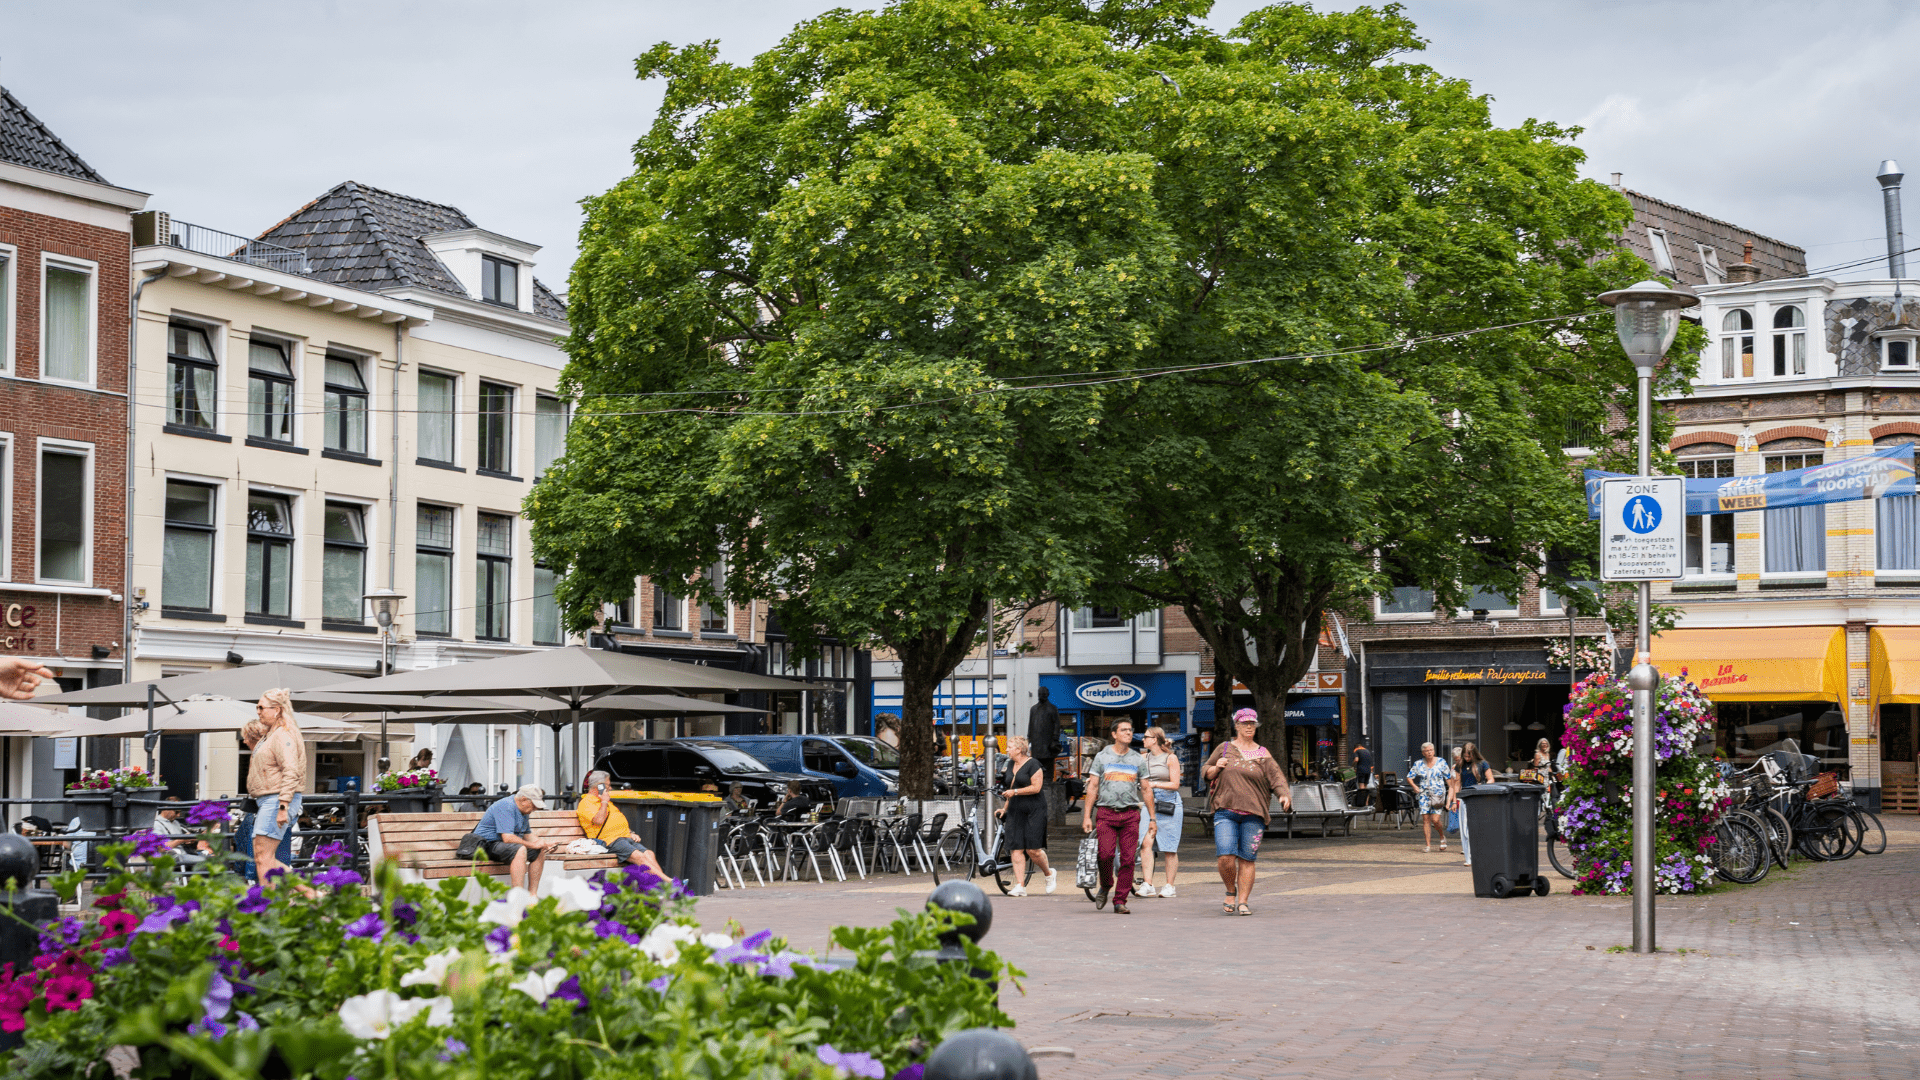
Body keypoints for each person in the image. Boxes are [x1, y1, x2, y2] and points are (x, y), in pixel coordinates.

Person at [1202, 709, 1290, 916]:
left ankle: (1243, 901)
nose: (1249, 726)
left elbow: (1276, 777)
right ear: (1237, 726)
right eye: (1245, 723)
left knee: (1247, 859)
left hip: (1254, 813)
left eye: (1252, 723)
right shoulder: (1224, 748)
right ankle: (1230, 891)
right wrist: (1215, 768)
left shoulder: (1262, 753)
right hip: (1226, 811)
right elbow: (1206, 769)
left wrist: (1283, 795)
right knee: (1225, 856)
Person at [1080, 719, 1152, 914]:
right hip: (1106, 813)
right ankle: (1105, 884)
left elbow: (1145, 788)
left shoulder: (1138, 759)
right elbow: (1093, 786)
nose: (1128, 733)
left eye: (1130, 730)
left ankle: (1120, 900)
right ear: (1114, 734)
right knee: (1105, 854)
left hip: (1130, 814)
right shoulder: (1102, 757)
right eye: (1124, 730)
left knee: (1128, 859)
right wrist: (1087, 815)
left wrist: (1152, 818)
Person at [247, 689, 306, 884]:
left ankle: (268, 906)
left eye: (261, 707)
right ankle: (313, 894)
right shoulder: (273, 734)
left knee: (263, 858)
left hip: (276, 800)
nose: (258, 711)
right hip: (269, 800)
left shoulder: (283, 734)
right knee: (265, 858)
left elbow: (291, 770)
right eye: (257, 707)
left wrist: (283, 805)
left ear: (278, 710)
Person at [577, 771, 667, 878]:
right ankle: (669, 883)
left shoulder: (604, 802)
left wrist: (630, 832)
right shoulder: (586, 803)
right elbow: (599, 820)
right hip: (609, 841)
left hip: (623, 838)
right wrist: (604, 802)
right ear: (599, 786)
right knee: (639, 856)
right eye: (608, 786)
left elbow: (615, 820)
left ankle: (660, 886)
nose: (610, 789)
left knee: (649, 854)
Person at [994, 736, 1054, 896]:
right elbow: (1010, 788)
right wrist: (1004, 809)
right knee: (1016, 848)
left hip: (1034, 810)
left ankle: (1049, 874)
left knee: (1033, 850)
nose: (1006, 749)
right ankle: (1020, 886)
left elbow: (1036, 787)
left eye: (1009, 746)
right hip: (1015, 810)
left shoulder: (1034, 764)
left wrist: (1015, 792)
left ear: (1019, 749)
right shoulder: (1010, 764)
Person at [474, 785, 550, 891]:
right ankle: (517, 897)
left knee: (539, 850)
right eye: (534, 805)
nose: (535, 809)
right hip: (486, 845)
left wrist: (543, 844)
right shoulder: (506, 806)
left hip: (502, 846)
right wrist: (533, 844)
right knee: (520, 849)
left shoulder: (524, 810)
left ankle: (532, 896)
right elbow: (508, 838)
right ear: (524, 799)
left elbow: (527, 834)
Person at [1138, 726, 1183, 898]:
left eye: (1146, 736)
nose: (1143, 739)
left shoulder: (1170, 758)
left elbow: (1175, 784)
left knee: (1169, 846)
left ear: (1155, 739)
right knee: (1145, 842)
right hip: (1149, 802)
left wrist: (1155, 784)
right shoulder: (1143, 758)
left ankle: (1169, 886)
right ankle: (1148, 883)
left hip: (1168, 802)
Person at [1406, 742, 1454, 854]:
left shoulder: (1441, 762)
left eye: (1431, 750)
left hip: (1438, 794)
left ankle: (1442, 837)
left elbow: (1448, 779)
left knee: (1435, 820)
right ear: (1423, 753)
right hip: (1424, 795)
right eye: (1427, 751)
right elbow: (1409, 777)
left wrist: (1452, 794)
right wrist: (1414, 786)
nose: (1429, 752)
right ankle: (1428, 845)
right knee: (1426, 820)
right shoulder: (1418, 764)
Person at [1455, 742, 1492, 866]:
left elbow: (1491, 779)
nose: (1467, 758)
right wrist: (1455, 800)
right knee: (1465, 830)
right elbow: (1457, 783)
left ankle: (1479, 855)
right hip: (1465, 798)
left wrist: (1484, 787)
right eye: (1465, 756)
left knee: (1477, 828)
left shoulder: (1482, 764)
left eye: (1469, 756)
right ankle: (1469, 858)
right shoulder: (1460, 764)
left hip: (1478, 797)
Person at [151, 800, 215, 866]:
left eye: (179, 812)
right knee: (206, 861)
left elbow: (181, 840)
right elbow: (161, 848)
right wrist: (182, 839)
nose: (178, 815)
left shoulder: (175, 822)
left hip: (184, 853)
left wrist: (189, 839)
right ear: (167, 809)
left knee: (214, 858)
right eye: (176, 812)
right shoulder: (156, 824)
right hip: (171, 856)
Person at [1027, 688, 1061, 781]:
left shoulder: (1052, 708)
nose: (1042, 695)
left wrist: (1055, 739)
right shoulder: (1033, 709)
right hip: (1036, 744)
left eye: (1044, 694)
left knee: (1048, 769)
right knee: (1036, 768)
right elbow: (1030, 725)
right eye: (1040, 693)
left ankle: (1048, 783)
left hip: (1048, 745)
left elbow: (1057, 725)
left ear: (1047, 694)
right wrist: (1029, 740)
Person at [1352, 742, 1375, 808]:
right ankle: (1366, 803)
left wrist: (1352, 766)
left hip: (1361, 770)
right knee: (1366, 786)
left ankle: (1362, 804)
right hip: (1368, 771)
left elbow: (1356, 760)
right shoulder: (1367, 751)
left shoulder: (1356, 750)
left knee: (1361, 787)